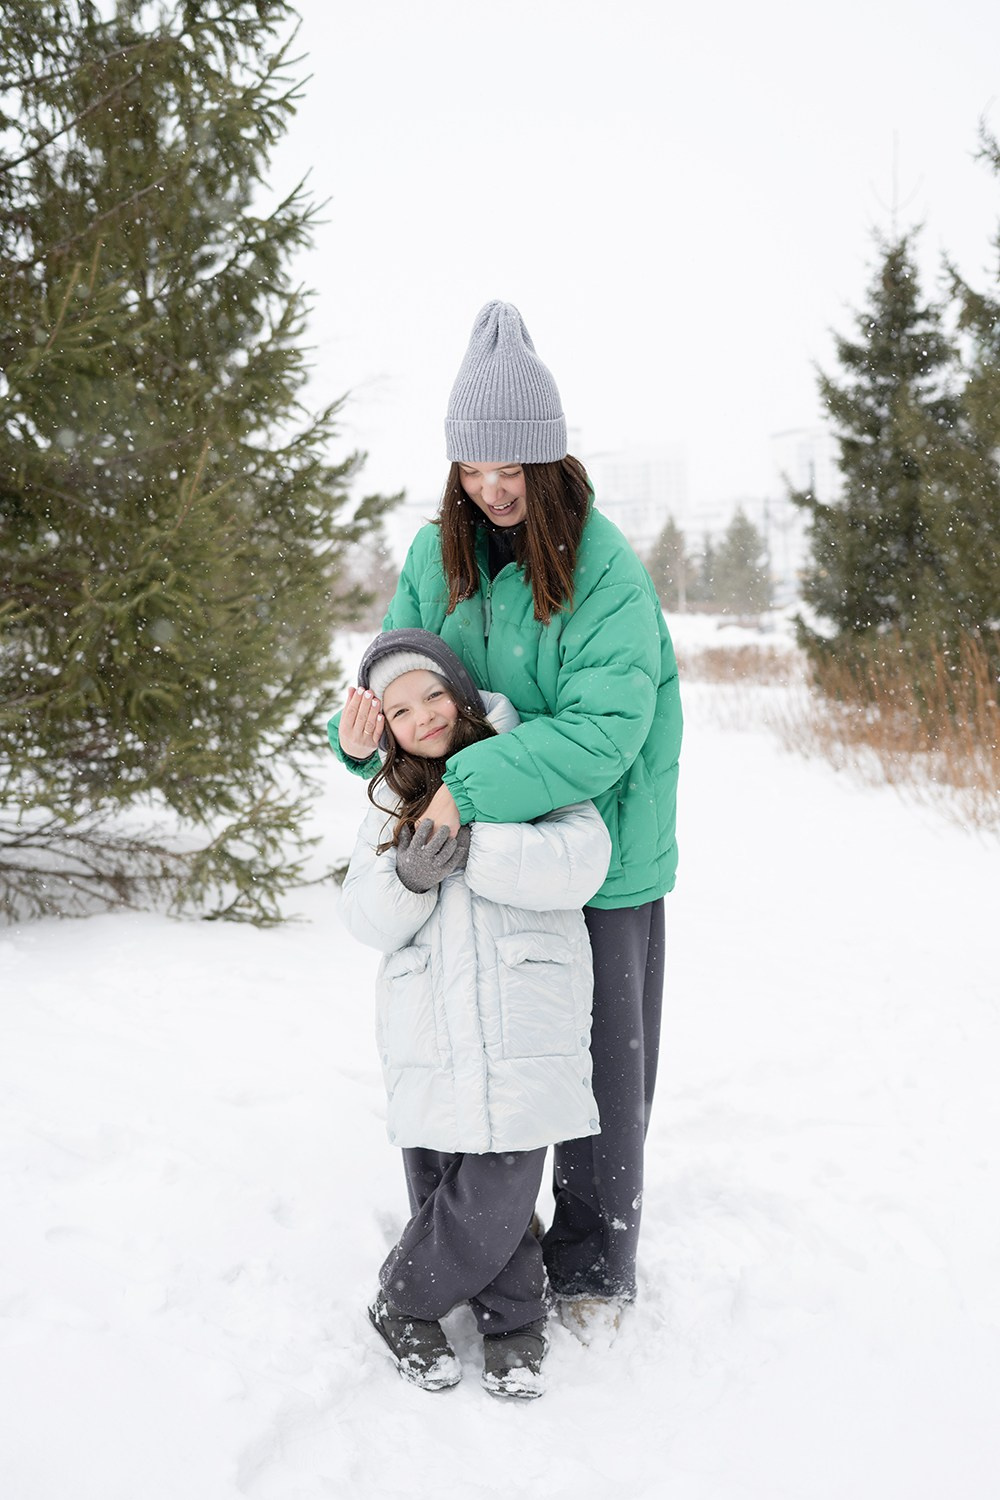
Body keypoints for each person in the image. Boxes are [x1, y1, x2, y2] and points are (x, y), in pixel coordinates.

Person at [331, 301, 682, 1344]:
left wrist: (469, 792)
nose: (490, 488)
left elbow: (602, 732)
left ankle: (591, 1258)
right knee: (470, 1035)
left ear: (550, 465)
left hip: (599, 845)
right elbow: (405, 682)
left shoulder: (605, 570)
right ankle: (486, 1248)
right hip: (467, 847)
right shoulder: (434, 558)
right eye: (473, 468)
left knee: (597, 1067)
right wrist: (361, 743)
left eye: (510, 470)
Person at [339, 627, 611, 1399]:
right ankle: (513, 1316)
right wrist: (409, 878)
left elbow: (580, 862)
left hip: (523, 1017)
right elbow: (361, 915)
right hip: (429, 1023)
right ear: (384, 729)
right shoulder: (392, 796)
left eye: (432, 693)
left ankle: (404, 1298)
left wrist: (478, 847)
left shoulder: (530, 762)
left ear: (461, 693)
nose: (422, 716)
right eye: (399, 710)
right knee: (444, 1174)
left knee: (504, 1173)